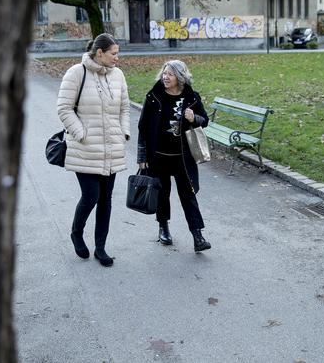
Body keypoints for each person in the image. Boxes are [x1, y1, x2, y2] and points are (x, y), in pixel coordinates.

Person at [57, 33, 130, 267]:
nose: (117, 58)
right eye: (114, 53)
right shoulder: (77, 72)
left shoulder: (118, 75)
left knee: (106, 199)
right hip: (86, 148)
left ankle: (101, 247)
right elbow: (64, 108)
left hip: (112, 148)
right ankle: (77, 233)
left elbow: (125, 108)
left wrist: (123, 132)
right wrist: (81, 134)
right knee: (91, 196)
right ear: (100, 53)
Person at [137, 60, 211, 252]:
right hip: (158, 156)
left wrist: (194, 118)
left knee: (188, 195)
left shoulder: (192, 98)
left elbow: (205, 121)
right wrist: (142, 155)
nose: (165, 77)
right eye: (164, 73)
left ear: (180, 77)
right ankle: (163, 228)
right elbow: (143, 127)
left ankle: (198, 236)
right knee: (162, 193)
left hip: (182, 158)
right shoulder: (154, 96)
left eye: (169, 74)